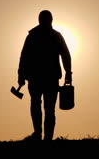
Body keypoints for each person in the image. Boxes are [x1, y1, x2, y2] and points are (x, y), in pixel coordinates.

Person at [18, 10, 72, 141]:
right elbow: (24, 57)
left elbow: (23, 57)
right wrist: (68, 73)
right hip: (45, 78)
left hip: (41, 78)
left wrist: (21, 75)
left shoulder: (34, 36)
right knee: (46, 108)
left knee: (40, 106)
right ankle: (43, 136)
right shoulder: (53, 36)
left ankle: (41, 135)